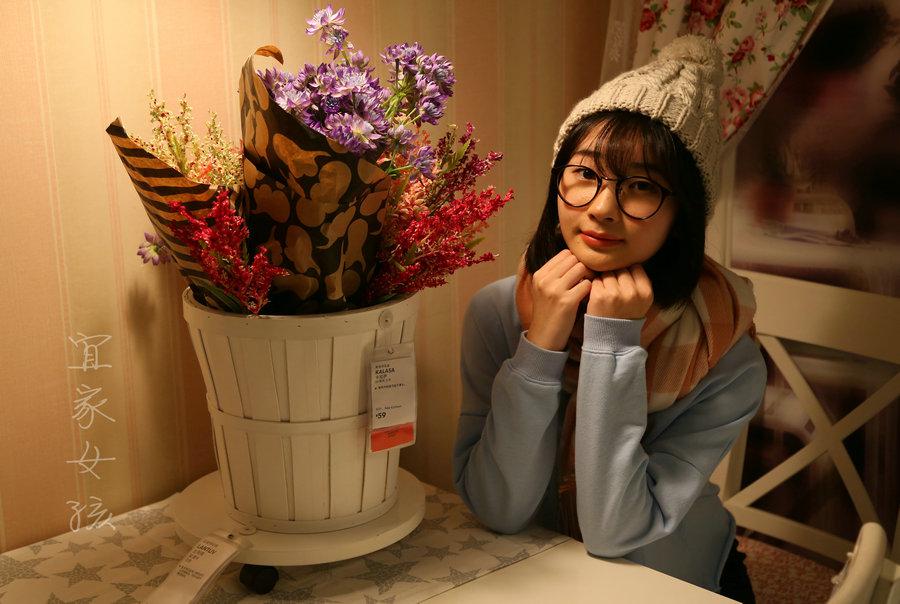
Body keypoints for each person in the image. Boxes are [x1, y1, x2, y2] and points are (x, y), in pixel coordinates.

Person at [452, 35, 765, 602]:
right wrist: (540, 348)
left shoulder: (723, 349)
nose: (600, 208)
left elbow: (614, 530)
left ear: (683, 215)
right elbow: (500, 509)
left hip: (673, 580)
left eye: (641, 186)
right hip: (536, 575)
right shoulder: (497, 313)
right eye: (585, 174)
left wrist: (613, 344)